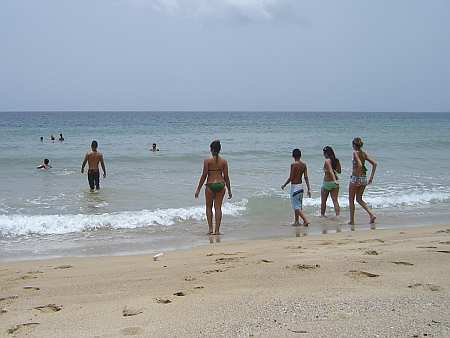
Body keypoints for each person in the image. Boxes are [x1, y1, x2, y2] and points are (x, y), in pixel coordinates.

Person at [195, 140, 232, 235]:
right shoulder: (224, 161)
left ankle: (210, 229)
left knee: (208, 207)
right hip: (220, 184)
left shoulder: (207, 161)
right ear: (220, 150)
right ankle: (217, 231)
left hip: (210, 185)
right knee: (218, 208)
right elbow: (226, 177)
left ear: (211, 150)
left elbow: (204, 175)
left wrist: (198, 189)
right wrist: (229, 190)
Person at [348, 137, 377, 228]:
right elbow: (374, 164)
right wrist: (371, 177)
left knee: (351, 200)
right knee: (359, 199)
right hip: (364, 178)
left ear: (354, 145)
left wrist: (356, 177)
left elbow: (360, 165)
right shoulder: (363, 153)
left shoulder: (355, 153)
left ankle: (352, 221)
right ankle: (371, 215)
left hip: (356, 178)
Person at [281, 148, 311, 226]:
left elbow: (291, 178)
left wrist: (284, 185)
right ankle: (296, 221)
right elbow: (306, 177)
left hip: (295, 187)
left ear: (293, 156)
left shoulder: (293, 165)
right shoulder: (304, 165)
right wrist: (309, 188)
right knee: (298, 205)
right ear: (300, 156)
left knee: (295, 206)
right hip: (301, 187)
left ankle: (305, 220)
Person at [321, 146, 341, 217]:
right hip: (335, 183)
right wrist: (335, 180)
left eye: (324, 153)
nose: (323, 154)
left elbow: (330, 170)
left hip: (327, 183)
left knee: (323, 201)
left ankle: (322, 215)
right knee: (335, 200)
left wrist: (334, 180)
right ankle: (338, 216)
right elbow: (339, 171)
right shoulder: (336, 160)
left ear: (326, 153)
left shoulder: (327, 160)